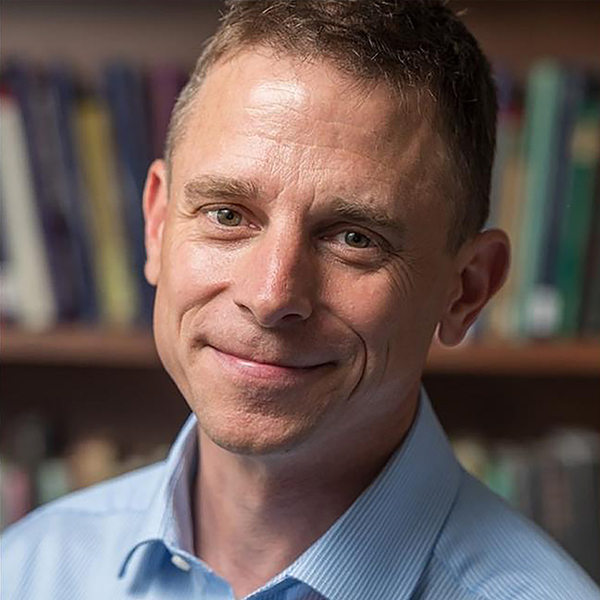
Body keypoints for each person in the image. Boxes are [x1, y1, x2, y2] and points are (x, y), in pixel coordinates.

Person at [2, 1, 600, 599]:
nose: (271, 297)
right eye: (227, 215)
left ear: (468, 289)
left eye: (353, 238)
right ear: (158, 224)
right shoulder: (28, 570)